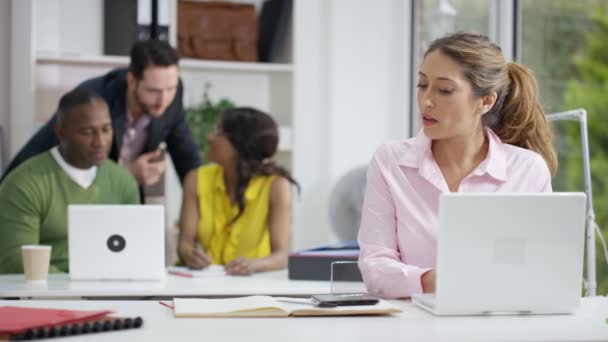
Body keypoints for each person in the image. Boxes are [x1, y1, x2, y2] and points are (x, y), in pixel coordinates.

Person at [357, 32, 557, 299]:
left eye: (444, 90)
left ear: (486, 101)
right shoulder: (390, 161)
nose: (426, 101)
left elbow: (543, 269)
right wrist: (441, 280)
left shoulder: (528, 169)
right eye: (422, 85)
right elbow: (375, 268)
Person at [1, 39, 201, 188]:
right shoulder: (92, 99)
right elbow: (59, 162)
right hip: (70, 195)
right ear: (131, 80)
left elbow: (187, 156)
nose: (164, 100)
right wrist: (126, 174)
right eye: (153, 91)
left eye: (170, 89)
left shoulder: (172, 94)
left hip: (125, 197)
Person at [0, 89, 140, 274]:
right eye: (87, 132)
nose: (100, 142)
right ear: (60, 132)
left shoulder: (123, 181)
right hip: (47, 295)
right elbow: (15, 262)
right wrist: (77, 289)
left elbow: (137, 253)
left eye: (106, 129)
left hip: (111, 289)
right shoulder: (24, 184)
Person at [177, 107, 299, 275]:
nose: (209, 137)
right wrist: (189, 254)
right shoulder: (195, 179)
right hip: (204, 283)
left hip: (253, 285)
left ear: (240, 143)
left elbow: (281, 255)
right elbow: (185, 241)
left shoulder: (276, 186)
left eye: (218, 132)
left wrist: (255, 265)